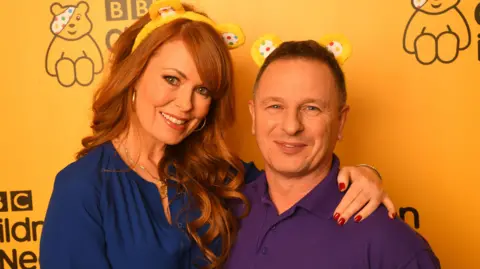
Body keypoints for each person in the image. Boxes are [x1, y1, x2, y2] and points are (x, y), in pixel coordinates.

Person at [39, 1, 395, 269]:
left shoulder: (218, 173)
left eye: (204, 90)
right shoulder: (82, 189)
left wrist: (365, 174)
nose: (185, 104)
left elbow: (297, 178)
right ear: (134, 76)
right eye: (172, 79)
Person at [224, 38, 440, 268]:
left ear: (341, 120)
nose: (291, 126)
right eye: (275, 106)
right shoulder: (223, 209)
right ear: (254, 115)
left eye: (311, 108)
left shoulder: (391, 243)